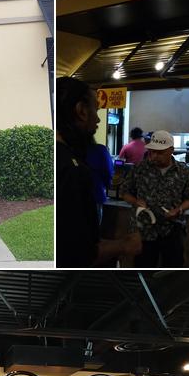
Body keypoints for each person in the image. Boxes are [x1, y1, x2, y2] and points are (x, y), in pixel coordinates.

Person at [56, 76, 141, 267]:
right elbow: (80, 253)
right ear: (81, 111)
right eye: (96, 108)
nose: (98, 118)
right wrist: (125, 245)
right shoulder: (73, 170)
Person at [121, 129, 189, 267]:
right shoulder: (140, 169)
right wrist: (136, 202)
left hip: (172, 228)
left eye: (160, 152)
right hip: (145, 229)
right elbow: (124, 192)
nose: (155, 156)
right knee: (143, 269)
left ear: (171, 150)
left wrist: (178, 210)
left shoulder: (183, 171)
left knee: (173, 270)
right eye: (152, 151)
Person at [86, 142, 114, 224]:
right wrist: (108, 185)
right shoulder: (100, 149)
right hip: (96, 192)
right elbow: (109, 171)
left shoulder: (70, 148)